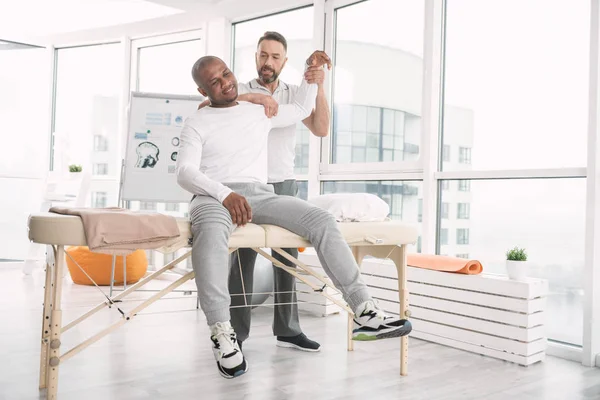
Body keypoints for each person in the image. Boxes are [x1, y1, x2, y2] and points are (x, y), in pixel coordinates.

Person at [176, 55, 412, 379]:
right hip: (212, 195)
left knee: (322, 221)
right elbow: (185, 171)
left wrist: (313, 76)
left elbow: (302, 109)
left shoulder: (260, 109)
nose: (225, 83)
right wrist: (223, 194)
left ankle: (364, 311)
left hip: (260, 193)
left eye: (226, 74)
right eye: (214, 82)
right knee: (212, 236)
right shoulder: (196, 122)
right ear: (202, 89)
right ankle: (221, 331)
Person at [225, 32, 330, 353]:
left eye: (274, 57)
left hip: (284, 183)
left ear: (284, 61)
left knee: (287, 259)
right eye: (262, 55)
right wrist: (259, 99)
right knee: (241, 259)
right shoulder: (240, 91)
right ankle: (236, 334)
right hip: (246, 184)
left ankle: (287, 327)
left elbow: (321, 128)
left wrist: (318, 86)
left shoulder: (296, 96)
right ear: (255, 57)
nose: (267, 62)